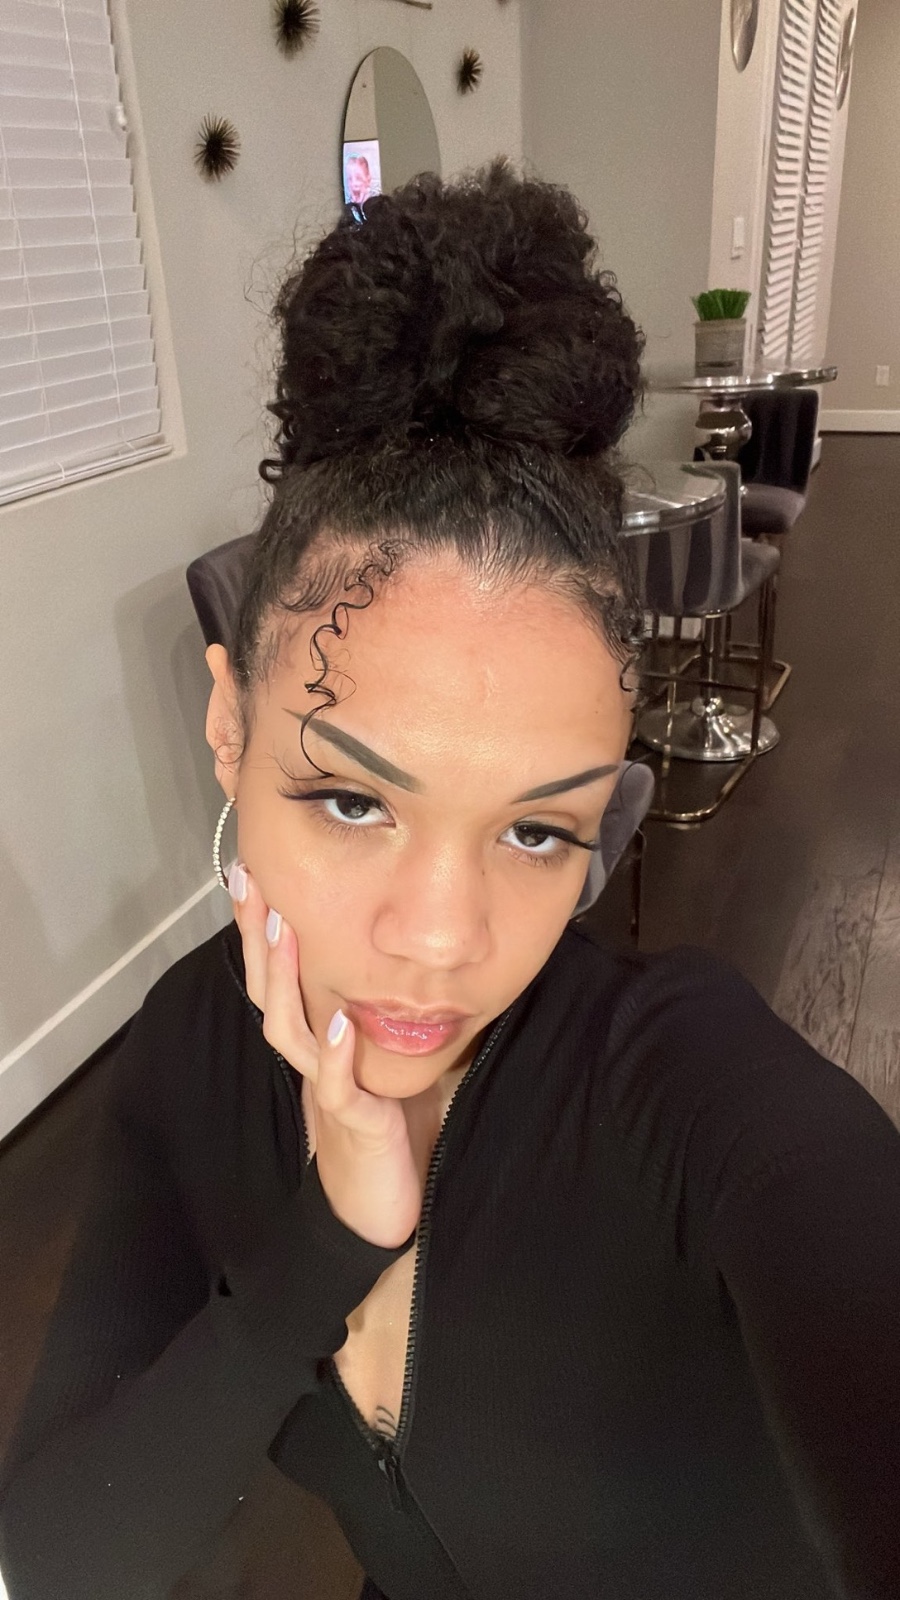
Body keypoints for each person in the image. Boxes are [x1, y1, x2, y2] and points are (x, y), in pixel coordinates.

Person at [1, 162, 899, 1600]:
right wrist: (331, 1242)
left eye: (539, 833)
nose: (439, 940)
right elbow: (56, 1556)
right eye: (353, 800)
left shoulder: (684, 1090)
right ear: (229, 725)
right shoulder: (189, 1050)